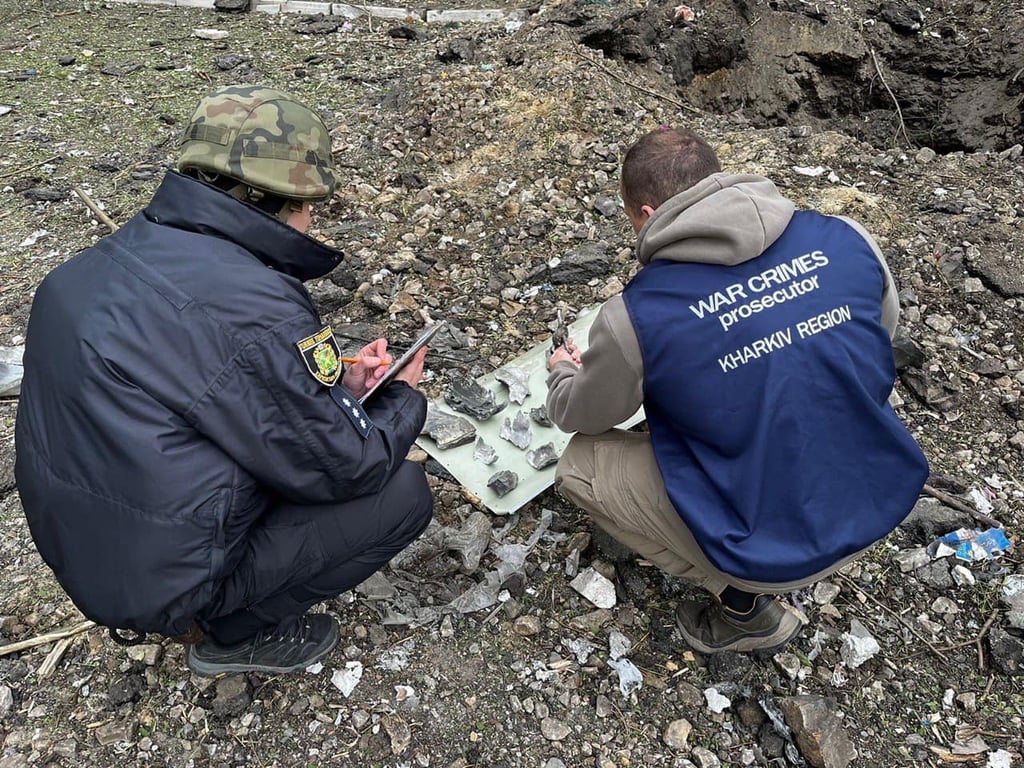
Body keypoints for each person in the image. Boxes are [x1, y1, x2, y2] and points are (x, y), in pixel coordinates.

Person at [15, 85, 434, 676]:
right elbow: (347, 465)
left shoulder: (84, 271)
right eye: (310, 203)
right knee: (402, 495)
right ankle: (226, 634)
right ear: (276, 199)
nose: (312, 220)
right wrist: (402, 397)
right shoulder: (256, 310)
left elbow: (200, 386)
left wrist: (340, 387)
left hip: (85, 553)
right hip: (161, 584)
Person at [546, 126, 929, 654]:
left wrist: (563, 373)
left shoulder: (639, 315)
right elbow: (879, 335)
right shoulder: (846, 237)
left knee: (578, 467)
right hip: (884, 496)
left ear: (647, 213)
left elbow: (581, 415)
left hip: (775, 550)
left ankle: (742, 603)